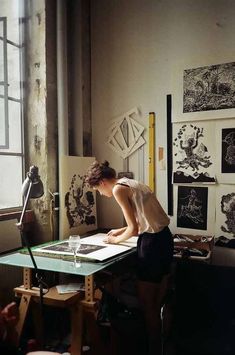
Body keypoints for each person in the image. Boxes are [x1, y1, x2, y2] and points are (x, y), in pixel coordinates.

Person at [86, 160, 174, 355]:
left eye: (98, 190)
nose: (101, 195)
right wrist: (118, 231)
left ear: (101, 183)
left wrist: (114, 242)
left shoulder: (118, 190)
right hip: (164, 239)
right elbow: (138, 222)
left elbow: (134, 230)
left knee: (147, 303)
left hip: (151, 244)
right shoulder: (130, 183)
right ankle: (161, 346)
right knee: (160, 300)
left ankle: (152, 349)